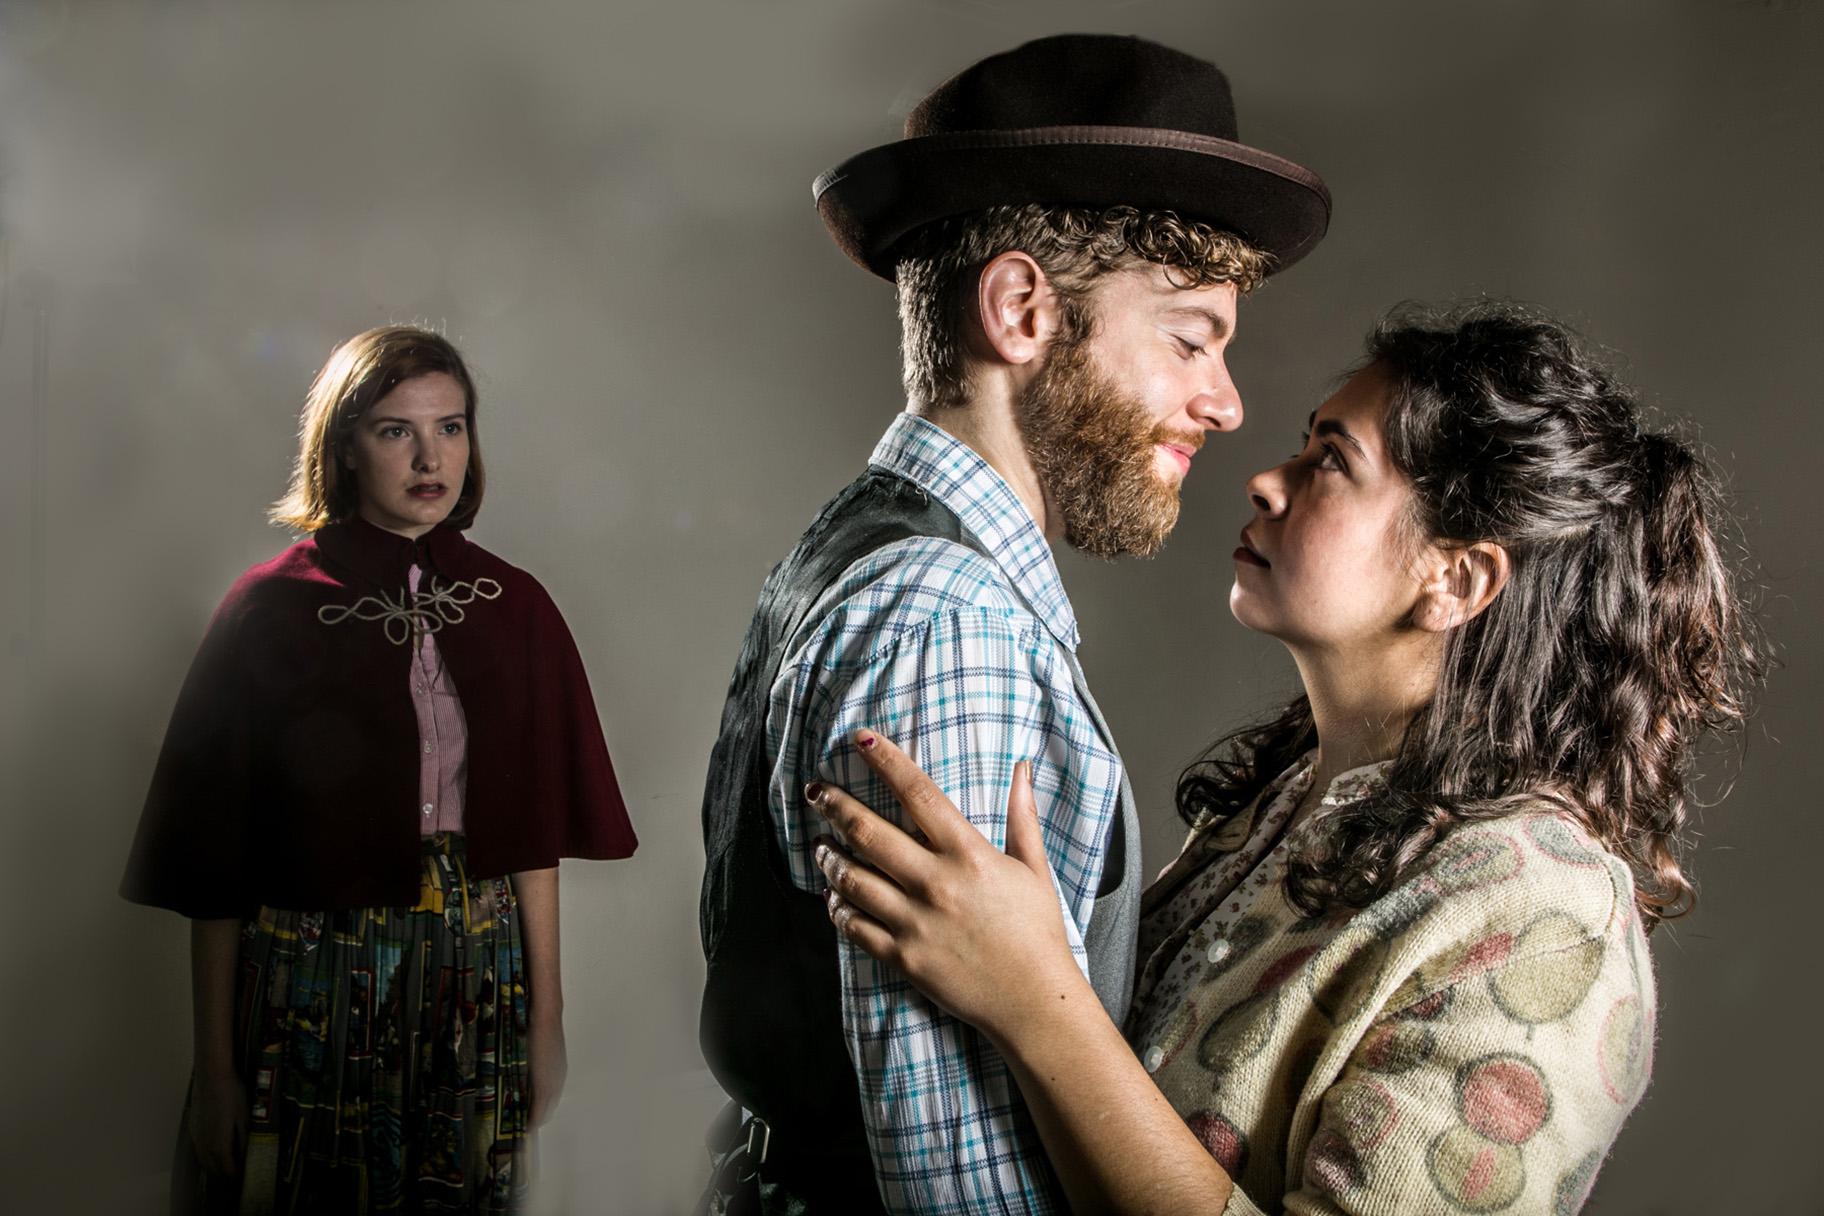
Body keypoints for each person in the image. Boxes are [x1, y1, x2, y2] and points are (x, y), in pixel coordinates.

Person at [810, 303, 1761, 1214]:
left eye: (1332, 463)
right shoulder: (1285, 804)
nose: (1268, 479)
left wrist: (1034, 1001)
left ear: (1457, 579)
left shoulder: (1546, 915)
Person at [696, 32, 1331, 1214]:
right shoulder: (948, 616)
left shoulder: (861, 547)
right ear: (1022, 309)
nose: (1228, 401)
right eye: (1191, 336)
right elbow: (951, 1164)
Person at [120, 325, 638, 1214]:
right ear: (346, 447)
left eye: (452, 427)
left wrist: (545, 1023)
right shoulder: (270, 611)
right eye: (397, 430)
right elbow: (212, 867)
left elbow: (532, 839)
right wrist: (214, 1068)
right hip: (311, 977)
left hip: (474, 974)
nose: (429, 456)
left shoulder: (515, 610)